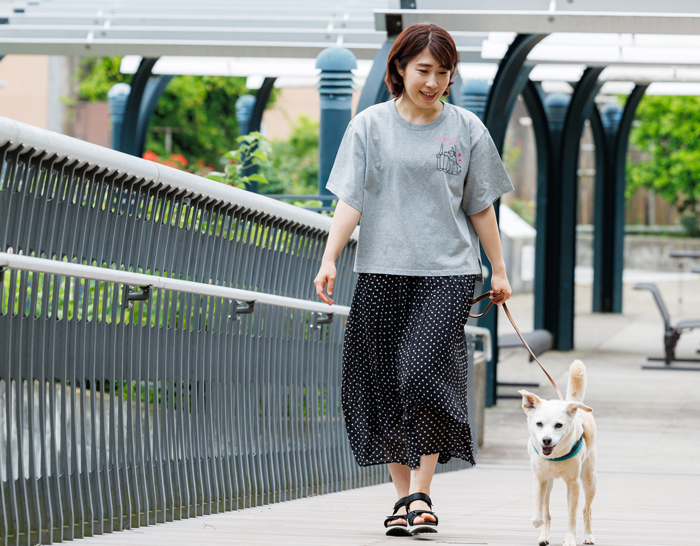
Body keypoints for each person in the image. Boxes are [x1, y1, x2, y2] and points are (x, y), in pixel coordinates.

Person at [313, 22, 513, 536]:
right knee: (384, 381)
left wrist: (499, 268)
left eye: (443, 73)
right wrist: (330, 258)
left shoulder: (467, 129)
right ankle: (405, 500)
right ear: (399, 68)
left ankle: (423, 489)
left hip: (447, 271)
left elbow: (481, 207)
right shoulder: (369, 126)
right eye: (424, 70)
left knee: (422, 369)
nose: (433, 82)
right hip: (381, 268)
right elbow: (350, 200)